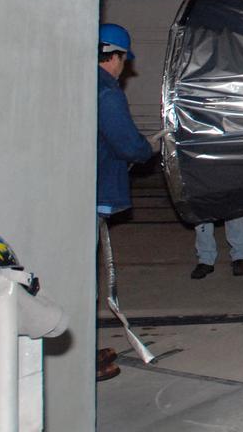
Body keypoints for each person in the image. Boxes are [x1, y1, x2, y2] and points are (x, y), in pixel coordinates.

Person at [97, 23, 158, 381]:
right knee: (79, 277)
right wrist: (146, 147)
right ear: (115, 57)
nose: (124, 68)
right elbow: (125, 143)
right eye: (123, 60)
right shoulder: (106, 91)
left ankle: (78, 348)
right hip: (94, 189)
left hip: (81, 185)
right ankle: (74, 363)